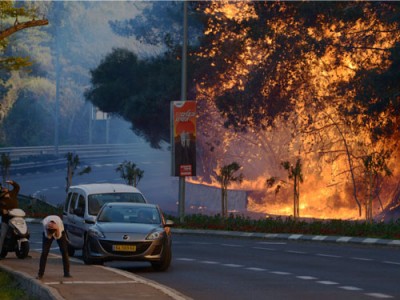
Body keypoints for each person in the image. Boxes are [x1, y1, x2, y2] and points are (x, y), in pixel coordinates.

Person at [37, 215, 71, 279]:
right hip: (48, 231)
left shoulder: (59, 224)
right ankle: (40, 274)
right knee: (44, 252)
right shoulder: (45, 223)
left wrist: (57, 230)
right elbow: (48, 236)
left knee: (64, 251)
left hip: (59, 230)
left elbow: (58, 236)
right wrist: (49, 234)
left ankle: (67, 273)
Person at [0, 180, 20, 257]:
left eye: (4, 188)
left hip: (16, 218)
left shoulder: (13, 193)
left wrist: (12, 182)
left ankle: (22, 250)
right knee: (2, 235)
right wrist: (2, 210)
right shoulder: (1, 200)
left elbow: (17, 187)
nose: (4, 189)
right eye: (2, 189)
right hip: (6, 220)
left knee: (23, 231)